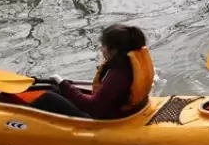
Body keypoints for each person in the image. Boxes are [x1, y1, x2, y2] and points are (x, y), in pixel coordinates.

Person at [9, 23, 155, 119]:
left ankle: (17, 119)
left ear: (114, 50)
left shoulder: (118, 75)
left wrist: (63, 84)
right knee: (57, 91)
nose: (101, 49)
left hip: (105, 119)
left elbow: (92, 107)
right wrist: (62, 86)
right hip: (125, 112)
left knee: (49, 98)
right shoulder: (128, 66)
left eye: (104, 46)